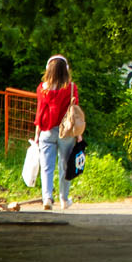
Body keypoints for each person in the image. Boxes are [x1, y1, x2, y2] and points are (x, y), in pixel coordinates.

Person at [33, 54, 80, 211]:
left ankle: (47, 198)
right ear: (66, 70)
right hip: (66, 132)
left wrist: (37, 134)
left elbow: (40, 111)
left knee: (47, 166)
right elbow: (76, 111)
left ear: (48, 70)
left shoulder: (42, 89)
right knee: (65, 165)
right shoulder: (71, 88)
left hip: (46, 130)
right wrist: (79, 134)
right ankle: (64, 199)